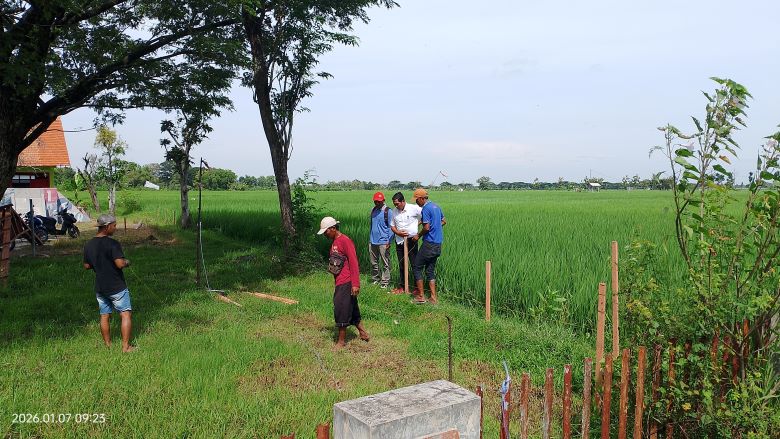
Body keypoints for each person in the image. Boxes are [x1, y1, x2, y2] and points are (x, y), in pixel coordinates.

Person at [83, 214, 135, 352]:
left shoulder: (88, 244)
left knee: (104, 315)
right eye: (114, 225)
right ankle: (126, 347)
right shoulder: (113, 243)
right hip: (116, 286)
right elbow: (119, 264)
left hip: (100, 287)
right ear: (107, 227)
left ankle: (108, 345)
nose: (115, 228)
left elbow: (87, 266)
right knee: (125, 314)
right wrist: (126, 262)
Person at [318, 216, 370, 348]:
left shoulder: (345, 241)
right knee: (351, 306)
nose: (325, 234)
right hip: (339, 280)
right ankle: (363, 332)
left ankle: (341, 341)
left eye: (326, 231)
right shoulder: (335, 241)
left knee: (340, 307)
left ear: (333, 228)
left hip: (346, 281)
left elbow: (353, 262)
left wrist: (355, 284)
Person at [412, 188, 446, 304]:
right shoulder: (436, 207)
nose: (416, 202)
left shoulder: (426, 208)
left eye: (417, 200)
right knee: (430, 271)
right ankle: (433, 298)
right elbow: (443, 221)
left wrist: (418, 235)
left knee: (416, 267)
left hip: (429, 244)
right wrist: (435, 226)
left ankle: (421, 296)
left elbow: (426, 228)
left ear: (422, 198)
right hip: (438, 244)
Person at [389, 192, 422, 295]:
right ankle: (402, 287)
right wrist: (398, 232)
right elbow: (392, 226)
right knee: (402, 264)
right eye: (394, 204)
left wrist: (417, 224)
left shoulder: (414, 208)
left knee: (414, 264)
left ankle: (417, 288)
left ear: (403, 201)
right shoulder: (394, 211)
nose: (396, 206)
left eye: (397, 203)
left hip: (412, 240)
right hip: (399, 241)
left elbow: (425, 216)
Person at [368, 192, 393, 289]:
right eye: (375, 201)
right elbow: (372, 225)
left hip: (383, 241)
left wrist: (389, 241)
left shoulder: (388, 211)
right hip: (373, 240)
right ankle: (375, 279)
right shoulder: (373, 210)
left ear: (383, 201)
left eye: (379, 201)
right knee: (373, 262)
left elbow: (391, 227)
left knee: (385, 263)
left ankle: (385, 282)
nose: (377, 203)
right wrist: (370, 239)